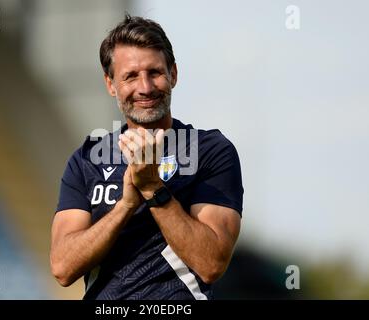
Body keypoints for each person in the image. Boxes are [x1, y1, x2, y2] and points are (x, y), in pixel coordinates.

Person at [50, 14, 243, 300]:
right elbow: (63, 267)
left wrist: (153, 188)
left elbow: (211, 263)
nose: (145, 87)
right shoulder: (87, 160)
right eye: (130, 76)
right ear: (111, 84)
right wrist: (127, 204)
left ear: (173, 74)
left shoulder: (211, 151)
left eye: (154, 72)